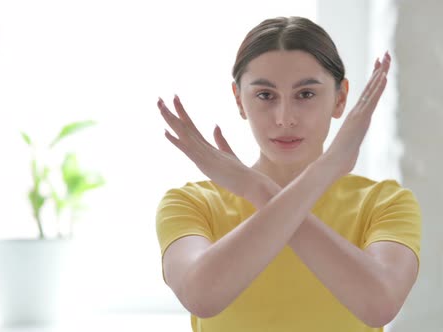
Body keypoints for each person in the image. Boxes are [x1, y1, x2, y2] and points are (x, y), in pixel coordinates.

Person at [155, 16, 421, 332]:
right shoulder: (191, 203)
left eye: (305, 94)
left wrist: (258, 190)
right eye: (265, 95)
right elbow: (201, 295)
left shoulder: (384, 202)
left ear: (340, 98)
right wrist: (281, 183)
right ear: (240, 100)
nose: (285, 118)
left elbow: (379, 305)